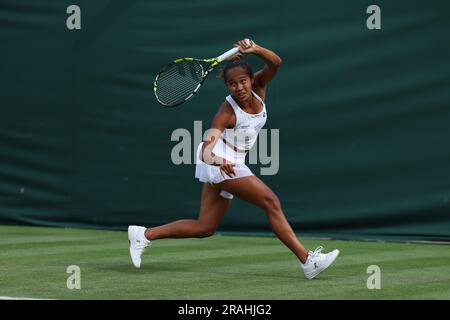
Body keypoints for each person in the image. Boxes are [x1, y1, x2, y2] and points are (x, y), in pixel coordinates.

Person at [128, 39, 339, 279]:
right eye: (232, 84)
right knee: (271, 201)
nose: (238, 88)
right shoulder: (226, 113)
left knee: (205, 227)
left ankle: (143, 235)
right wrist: (219, 161)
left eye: (242, 81)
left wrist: (256, 49)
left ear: (251, 79)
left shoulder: (259, 88)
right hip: (219, 162)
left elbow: (276, 63)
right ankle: (307, 260)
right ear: (227, 86)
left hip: (234, 161)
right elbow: (205, 151)